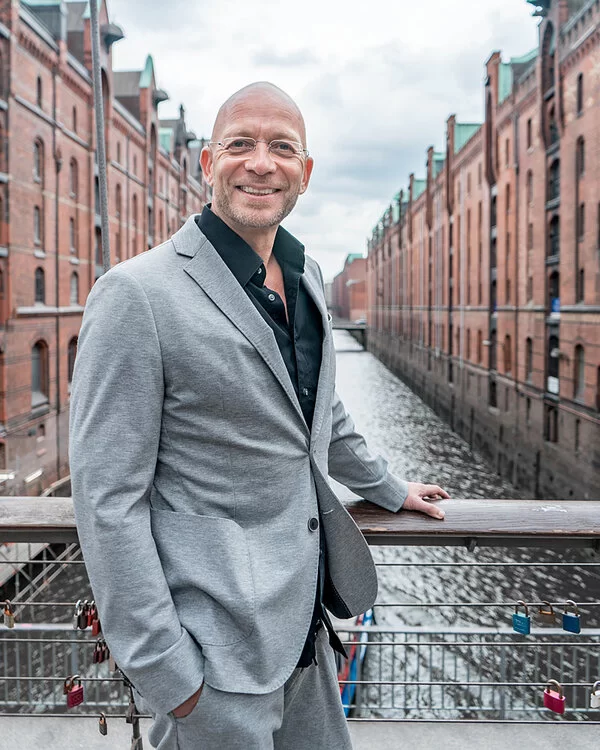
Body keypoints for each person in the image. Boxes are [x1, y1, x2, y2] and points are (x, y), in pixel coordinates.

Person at [69, 81, 449, 750]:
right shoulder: (137, 294)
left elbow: (320, 414)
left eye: (282, 148)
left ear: (305, 171)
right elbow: (107, 498)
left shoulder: (304, 279)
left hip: (307, 635)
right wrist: (169, 672)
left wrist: (389, 488)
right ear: (208, 161)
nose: (261, 162)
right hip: (213, 660)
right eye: (240, 144)